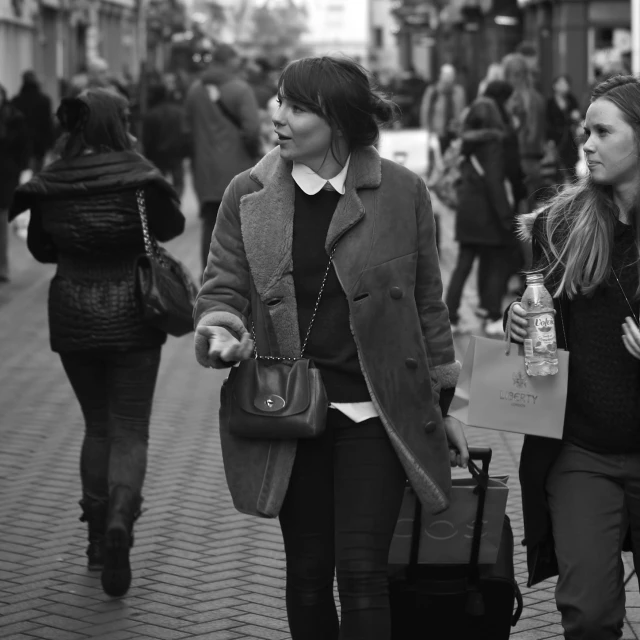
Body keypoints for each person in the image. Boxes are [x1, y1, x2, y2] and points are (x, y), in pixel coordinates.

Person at [193, 55, 468, 640]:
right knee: (310, 574)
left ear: (339, 120)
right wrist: (219, 329)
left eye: (297, 107)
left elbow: (428, 305)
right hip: (291, 412)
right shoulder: (249, 193)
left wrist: (446, 403)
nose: (279, 117)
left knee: (365, 573)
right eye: (279, 102)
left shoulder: (401, 191)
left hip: (378, 411)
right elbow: (221, 287)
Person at [9, 88, 185, 598]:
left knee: (97, 426)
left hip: (73, 310)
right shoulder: (140, 177)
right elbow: (170, 226)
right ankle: (121, 523)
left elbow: (41, 249)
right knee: (130, 428)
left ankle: (94, 536)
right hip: (134, 310)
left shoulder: (51, 180)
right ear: (118, 122)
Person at [507, 74, 640, 640]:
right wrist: (516, 322)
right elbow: (541, 334)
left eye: (602, 132)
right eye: (586, 130)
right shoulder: (561, 225)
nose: (586, 144)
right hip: (580, 448)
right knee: (587, 613)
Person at [185, 43, 262, 271]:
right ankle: (237, 283)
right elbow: (252, 130)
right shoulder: (240, 89)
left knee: (210, 225)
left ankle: (208, 279)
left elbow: (187, 129)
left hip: (205, 172)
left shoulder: (194, 90)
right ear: (229, 62)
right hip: (237, 169)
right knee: (241, 228)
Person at [445, 97, 515, 335]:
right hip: (487, 213)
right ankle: (492, 314)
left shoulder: (466, 143)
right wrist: (506, 216)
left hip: (466, 211)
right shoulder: (494, 144)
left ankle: (450, 315)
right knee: (496, 261)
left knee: (463, 265)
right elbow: (495, 183)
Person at [0, 84, 29, 283]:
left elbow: (23, 146)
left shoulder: (14, 118)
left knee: (2, 222)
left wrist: (18, 169)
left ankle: (2, 267)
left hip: (5, 176)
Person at [142, 83, 189, 198]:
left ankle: (165, 205)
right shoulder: (178, 112)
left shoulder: (150, 115)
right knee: (178, 182)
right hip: (177, 152)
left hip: (157, 154)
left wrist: (146, 155)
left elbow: (147, 139)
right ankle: (176, 204)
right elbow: (185, 132)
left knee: (159, 183)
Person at [11, 71, 55, 173]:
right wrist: (51, 143)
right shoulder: (44, 100)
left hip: (22, 142)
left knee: (24, 171)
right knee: (38, 172)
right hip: (40, 142)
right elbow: (48, 123)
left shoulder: (16, 101)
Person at [420, 63, 467, 155]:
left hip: (455, 133)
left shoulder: (459, 92)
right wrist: (426, 131)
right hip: (437, 133)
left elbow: (463, 111)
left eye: (451, 75)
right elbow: (425, 112)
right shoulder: (432, 91)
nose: (448, 78)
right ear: (440, 76)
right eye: (446, 75)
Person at [546, 75, 582, 184]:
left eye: (566, 84)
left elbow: (577, 116)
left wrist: (576, 117)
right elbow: (548, 122)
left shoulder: (571, 100)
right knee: (558, 167)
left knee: (571, 166)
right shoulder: (550, 102)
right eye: (561, 83)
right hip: (557, 138)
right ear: (554, 86)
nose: (565, 86)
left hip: (570, 138)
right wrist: (549, 139)